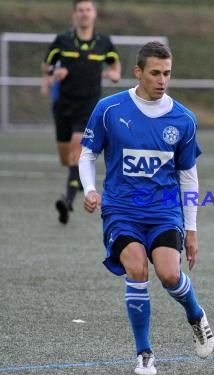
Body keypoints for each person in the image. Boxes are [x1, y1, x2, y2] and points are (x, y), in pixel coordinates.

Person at [79, 41, 214, 375]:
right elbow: (87, 154)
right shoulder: (110, 109)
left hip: (165, 212)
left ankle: (196, 315)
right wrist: (91, 189)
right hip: (121, 210)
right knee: (137, 270)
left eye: (167, 73)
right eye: (155, 73)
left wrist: (192, 229)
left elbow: (188, 177)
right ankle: (144, 353)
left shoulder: (183, 119)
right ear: (138, 72)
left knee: (169, 274)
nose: (162, 79)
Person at [41, 0, 121, 224]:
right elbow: (46, 65)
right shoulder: (63, 40)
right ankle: (71, 191)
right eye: (80, 10)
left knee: (77, 152)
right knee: (67, 159)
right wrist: (55, 72)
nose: (84, 14)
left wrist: (113, 74)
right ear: (74, 14)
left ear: (94, 14)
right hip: (63, 107)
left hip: (89, 109)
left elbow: (115, 66)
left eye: (88, 10)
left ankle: (67, 201)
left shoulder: (104, 42)